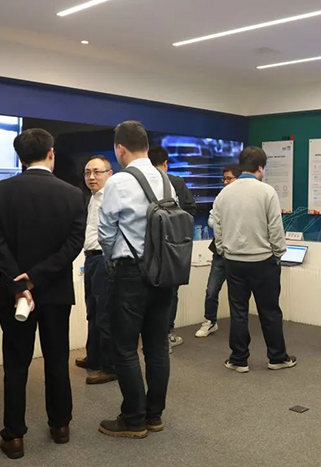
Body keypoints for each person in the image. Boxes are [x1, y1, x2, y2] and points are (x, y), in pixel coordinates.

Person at [0, 128, 86, 459]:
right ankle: (60, 426)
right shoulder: (72, 194)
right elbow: (73, 244)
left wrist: (20, 284)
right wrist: (38, 277)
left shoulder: (0, 191)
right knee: (57, 360)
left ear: (20, 157)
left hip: (14, 296)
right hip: (56, 293)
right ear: (51, 153)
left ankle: (14, 436)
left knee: (16, 364)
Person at [98, 121, 176, 438]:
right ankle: (154, 415)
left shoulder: (119, 181)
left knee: (126, 348)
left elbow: (106, 232)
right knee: (157, 347)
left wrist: (110, 259)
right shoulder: (166, 180)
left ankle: (133, 419)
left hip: (130, 273)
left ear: (120, 149)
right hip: (165, 273)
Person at [211, 146, 297, 373]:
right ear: (260, 167)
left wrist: (223, 250)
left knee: (238, 311)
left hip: (233, 261)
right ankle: (277, 357)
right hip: (263, 261)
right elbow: (275, 228)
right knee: (270, 311)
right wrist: (278, 253)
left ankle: (238, 359)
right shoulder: (267, 192)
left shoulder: (224, 193)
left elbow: (216, 226)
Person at [147, 145, 196, 352]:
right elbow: (190, 210)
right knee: (170, 291)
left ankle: (149, 335)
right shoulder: (176, 182)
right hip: (171, 247)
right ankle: (167, 334)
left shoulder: (135, 182)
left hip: (144, 248)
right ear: (166, 163)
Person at [78, 155, 117, 384]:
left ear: (109, 174)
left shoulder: (112, 198)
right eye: (87, 172)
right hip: (91, 259)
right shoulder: (93, 198)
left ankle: (110, 366)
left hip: (105, 259)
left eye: (97, 172)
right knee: (92, 310)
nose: (91, 177)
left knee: (105, 314)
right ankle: (94, 357)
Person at [195, 164, 241, 338]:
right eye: (224, 179)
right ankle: (210, 321)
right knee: (212, 290)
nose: (225, 182)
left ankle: (239, 324)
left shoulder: (245, 199)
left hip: (239, 252)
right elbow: (211, 221)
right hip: (220, 251)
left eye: (229, 178)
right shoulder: (221, 197)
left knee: (238, 293)